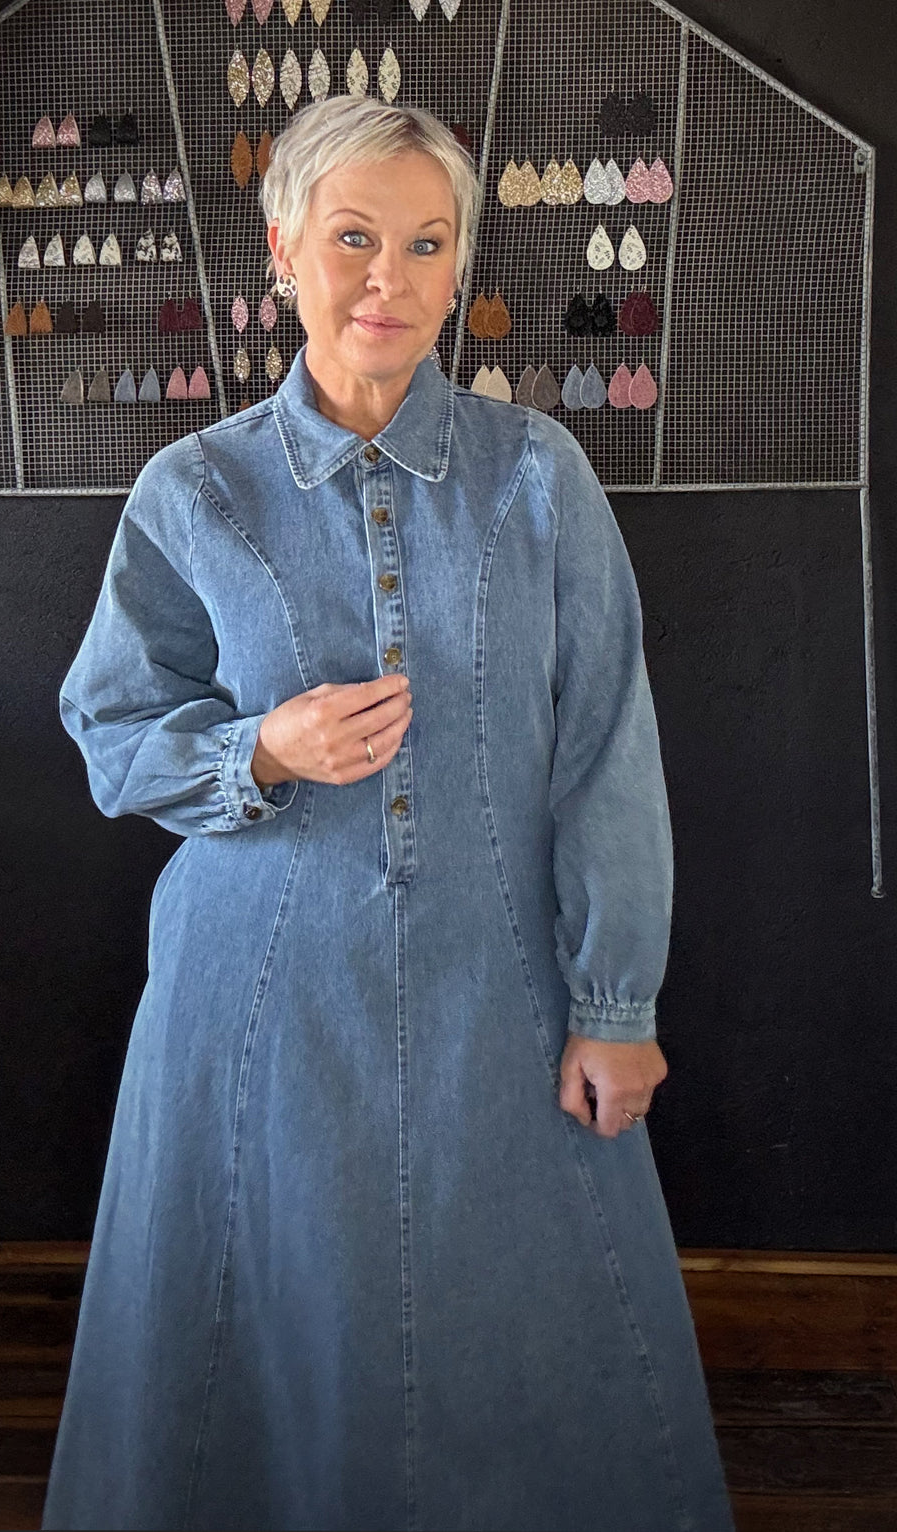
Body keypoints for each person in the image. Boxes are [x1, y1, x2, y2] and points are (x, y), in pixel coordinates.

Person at [42, 95, 735, 1532]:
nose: (390, 279)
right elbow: (111, 734)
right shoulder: (195, 490)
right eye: (354, 237)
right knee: (263, 1322)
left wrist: (618, 1001)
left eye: (427, 244)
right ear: (283, 247)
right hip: (257, 995)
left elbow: (608, 746)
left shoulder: (538, 476)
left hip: (505, 991)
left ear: (459, 264)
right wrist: (261, 750)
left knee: (521, 1332)